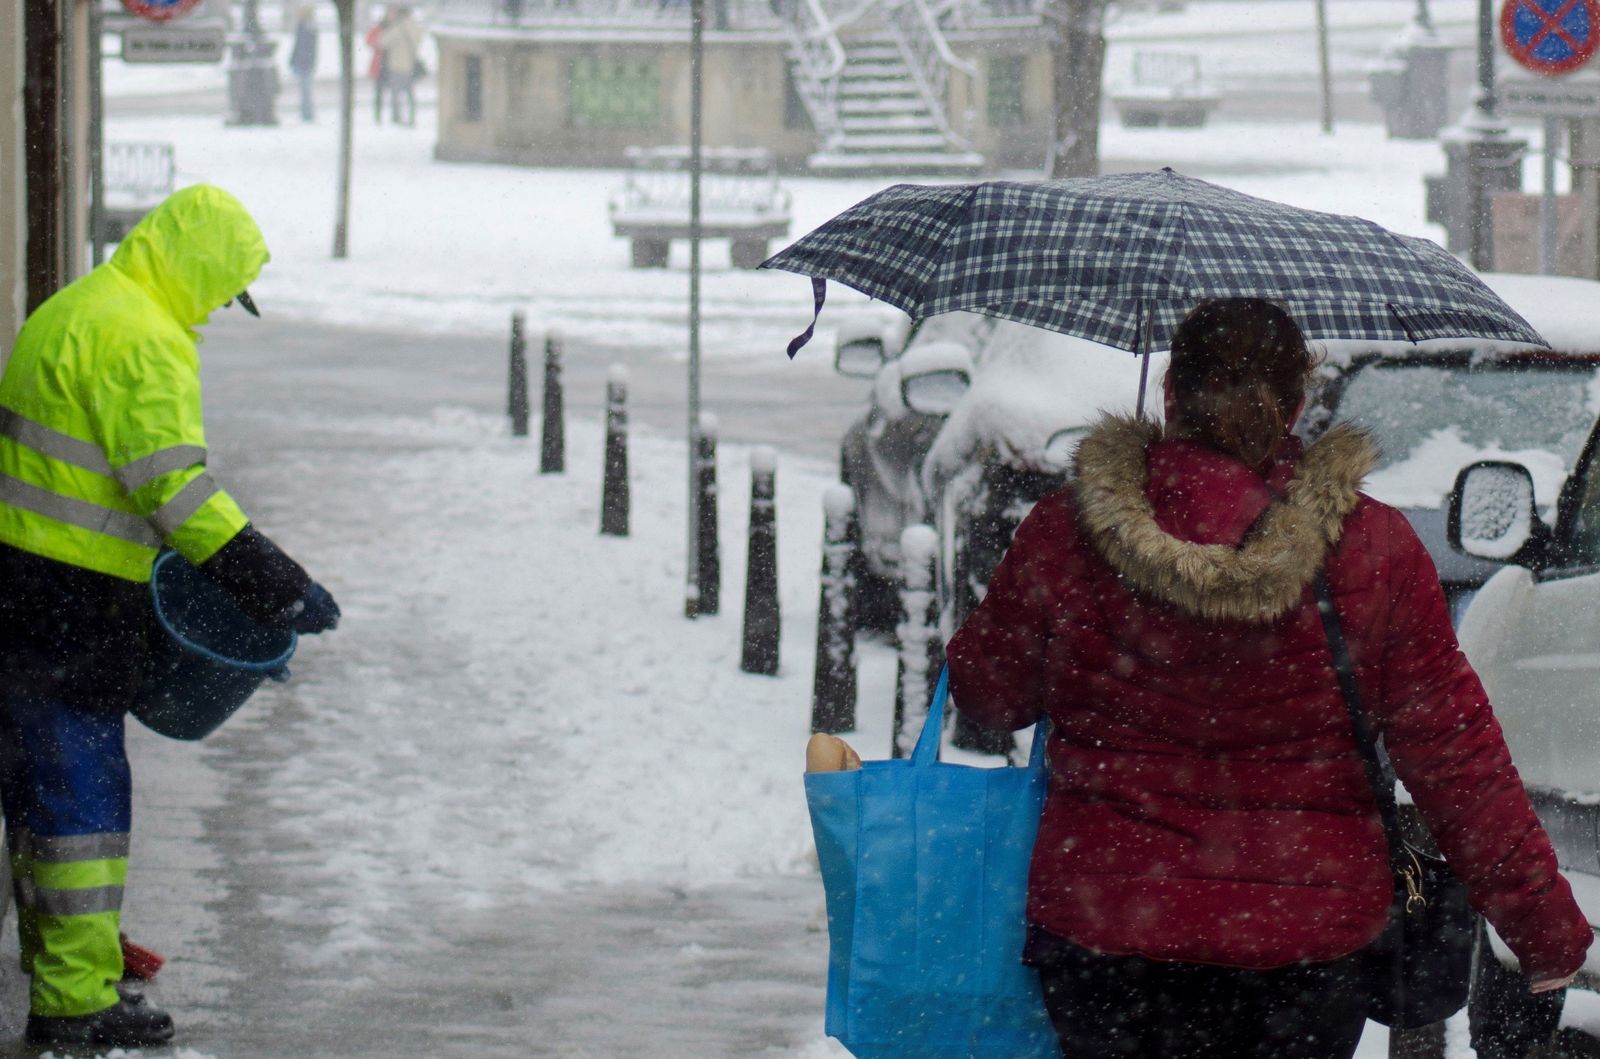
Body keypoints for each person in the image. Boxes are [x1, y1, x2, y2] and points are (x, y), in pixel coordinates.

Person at [946, 298, 1593, 1059]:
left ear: (1169, 393)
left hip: (1109, 933)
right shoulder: (1370, 547)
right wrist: (1541, 925)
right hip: (1306, 951)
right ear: (1297, 403)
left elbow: (989, 694)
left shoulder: (1069, 530)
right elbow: (1454, 755)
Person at [0, 184, 340, 1050]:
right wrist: (282, 587)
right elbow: (178, 494)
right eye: (222, 292)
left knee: (40, 797)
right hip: (71, 608)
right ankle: (74, 1005)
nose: (217, 312)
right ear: (200, 267)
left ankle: (65, 970)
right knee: (83, 805)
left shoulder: (74, 306)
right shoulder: (144, 339)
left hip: (19, 591)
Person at [377, 5, 426, 127]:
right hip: (411, 65)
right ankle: (412, 118)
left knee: (396, 94)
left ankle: (397, 118)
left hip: (397, 65)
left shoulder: (398, 28)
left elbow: (382, 42)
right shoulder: (416, 27)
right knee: (410, 94)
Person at [287, 5, 318, 123]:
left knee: (305, 90)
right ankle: (306, 113)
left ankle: (307, 113)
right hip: (302, 62)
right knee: (304, 89)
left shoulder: (308, 28)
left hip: (304, 63)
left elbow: (306, 47)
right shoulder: (305, 27)